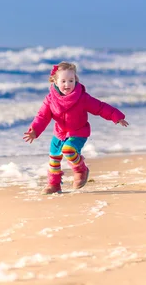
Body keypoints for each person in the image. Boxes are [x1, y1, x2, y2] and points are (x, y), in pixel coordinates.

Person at [23, 61, 129, 194]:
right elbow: (42, 117)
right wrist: (35, 130)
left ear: (75, 80)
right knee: (54, 157)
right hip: (59, 133)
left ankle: (80, 169)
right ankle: (54, 184)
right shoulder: (50, 99)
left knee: (68, 150)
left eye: (71, 80)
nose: (67, 84)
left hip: (78, 132)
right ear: (55, 82)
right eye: (63, 81)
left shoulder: (82, 97)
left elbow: (100, 107)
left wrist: (116, 116)